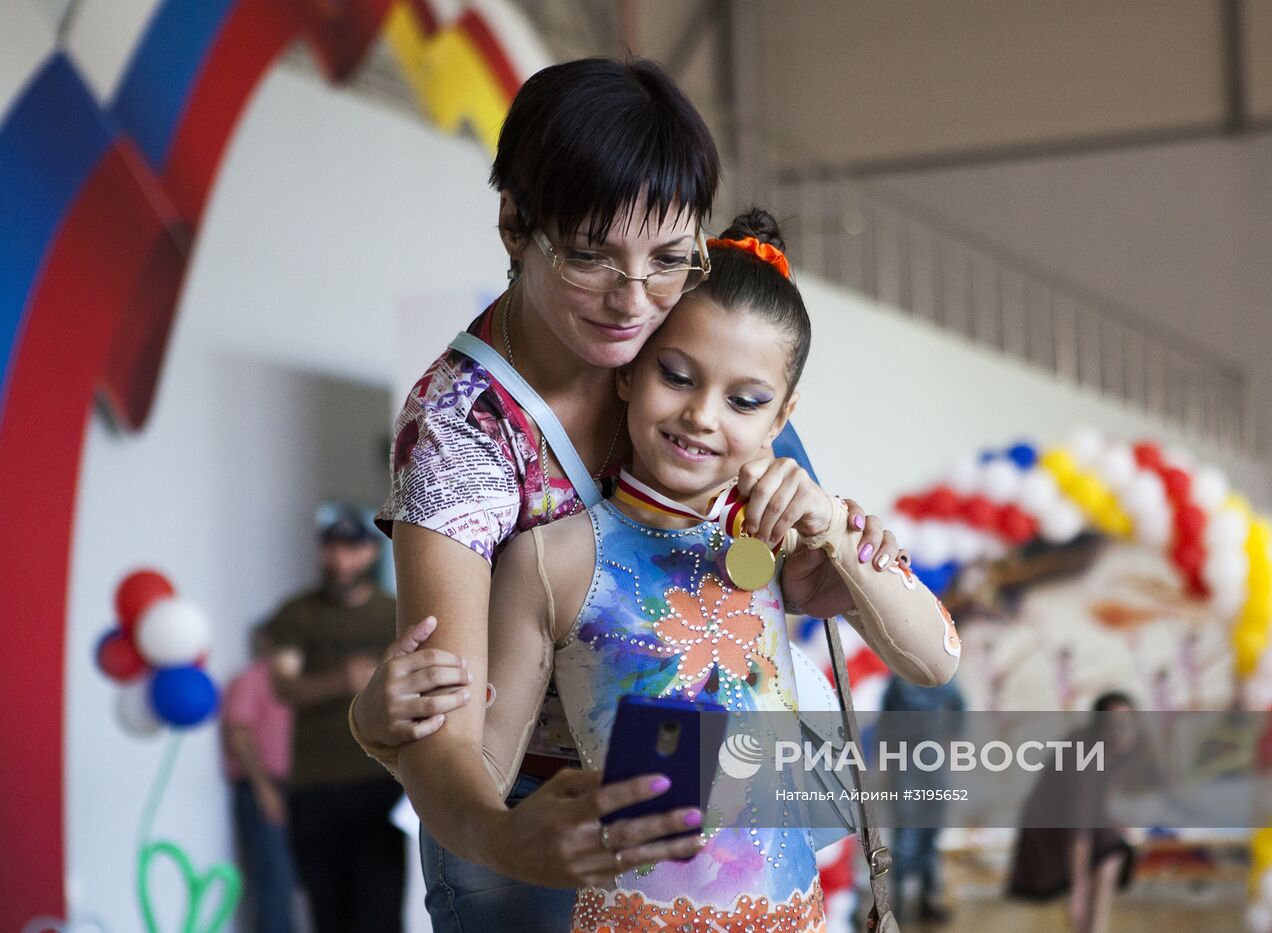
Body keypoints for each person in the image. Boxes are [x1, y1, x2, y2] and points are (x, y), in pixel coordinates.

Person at [347, 57, 902, 931]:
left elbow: (804, 580)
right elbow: (446, 726)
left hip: (715, 822)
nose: (633, 299)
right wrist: (496, 834)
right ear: (515, 225)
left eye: (669, 259)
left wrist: (850, 553)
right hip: (538, 815)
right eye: (591, 254)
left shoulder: (696, 342)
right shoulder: (460, 427)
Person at [266, 508, 402, 933]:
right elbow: (284, 688)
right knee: (328, 915)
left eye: (352, 548)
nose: (341, 559)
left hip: (381, 783)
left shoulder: (395, 612)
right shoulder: (296, 615)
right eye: (332, 547)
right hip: (314, 787)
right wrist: (342, 678)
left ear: (370, 553)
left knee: (380, 914)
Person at [1007, 691, 1141, 933]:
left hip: (1075, 823)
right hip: (1047, 825)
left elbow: (1102, 796)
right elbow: (1079, 829)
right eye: (1112, 726)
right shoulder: (1083, 758)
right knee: (1109, 854)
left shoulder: (1121, 752)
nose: (1120, 733)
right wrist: (1077, 890)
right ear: (1098, 727)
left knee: (1111, 851)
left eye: (1126, 725)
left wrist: (1110, 820)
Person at [221, 621, 296, 933]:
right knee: (274, 878)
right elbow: (238, 733)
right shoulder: (252, 680)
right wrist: (264, 789)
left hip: (288, 788)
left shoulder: (291, 685)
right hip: (261, 789)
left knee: (286, 878)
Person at [878, 673, 966, 925]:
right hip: (904, 762)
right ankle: (898, 904)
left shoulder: (943, 679)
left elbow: (959, 708)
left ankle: (926, 900)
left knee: (931, 832)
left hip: (932, 761)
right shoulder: (898, 681)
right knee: (905, 835)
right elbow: (886, 719)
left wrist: (950, 740)